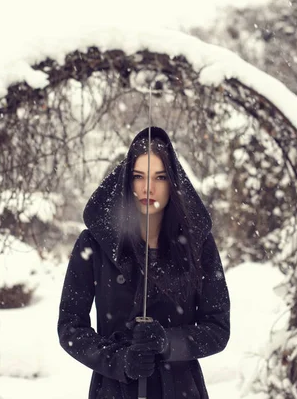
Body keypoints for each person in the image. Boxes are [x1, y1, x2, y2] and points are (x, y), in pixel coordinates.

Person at [57, 126, 230, 399]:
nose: (148, 187)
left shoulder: (198, 245)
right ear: (127, 180)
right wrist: (118, 360)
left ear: (172, 182)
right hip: (115, 390)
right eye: (138, 176)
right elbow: (70, 327)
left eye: (160, 177)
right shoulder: (94, 245)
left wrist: (168, 343)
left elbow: (217, 329)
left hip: (180, 390)